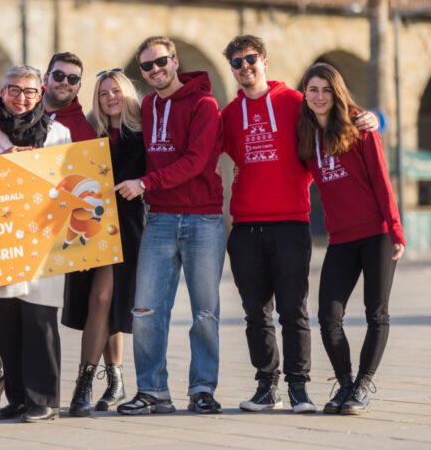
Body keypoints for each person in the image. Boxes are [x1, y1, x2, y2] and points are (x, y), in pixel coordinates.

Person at [221, 35, 378, 413]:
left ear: (265, 61)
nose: (245, 67)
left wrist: (373, 118)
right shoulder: (230, 113)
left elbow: (336, 114)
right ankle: (266, 387)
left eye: (250, 59)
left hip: (291, 224)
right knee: (255, 313)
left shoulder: (295, 102)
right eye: (237, 63)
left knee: (294, 311)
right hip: (245, 227)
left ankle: (298, 388)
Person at [115, 36, 225, 415]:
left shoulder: (204, 105)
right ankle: (153, 391)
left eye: (161, 61)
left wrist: (145, 184)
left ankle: (202, 389)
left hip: (203, 219)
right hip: (159, 219)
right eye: (147, 66)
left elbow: (196, 161)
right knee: (145, 310)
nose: (155, 70)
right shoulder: (147, 105)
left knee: (205, 313)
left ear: (175, 61)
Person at [297, 63, 405, 415]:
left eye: (326, 90)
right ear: (305, 93)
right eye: (313, 89)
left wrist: (396, 229)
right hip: (341, 239)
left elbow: (381, 181)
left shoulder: (360, 127)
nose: (319, 96)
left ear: (337, 92)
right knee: (328, 316)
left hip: (377, 234)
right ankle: (345, 384)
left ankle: (362, 385)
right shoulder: (306, 135)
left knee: (377, 312)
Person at [0, 64, 71, 423]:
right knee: (5, 321)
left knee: (39, 319)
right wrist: (1, 164)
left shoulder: (58, 133)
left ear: (40, 94)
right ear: (2, 91)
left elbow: (67, 179)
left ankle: (44, 399)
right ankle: (17, 396)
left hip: (42, 239)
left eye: (29, 92)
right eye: (14, 90)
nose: (21, 98)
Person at [62, 69, 146, 416]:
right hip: (88, 227)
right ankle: (116, 379)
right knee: (101, 302)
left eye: (116, 91)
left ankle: (83, 383)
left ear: (127, 94)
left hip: (125, 228)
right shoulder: (88, 132)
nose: (110, 97)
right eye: (103, 93)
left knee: (103, 298)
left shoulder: (142, 132)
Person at [42, 52, 97, 142]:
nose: (65, 82)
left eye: (73, 79)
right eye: (59, 75)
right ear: (45, 79)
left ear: (79, 87)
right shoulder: (23, 106)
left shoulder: (84, 132)